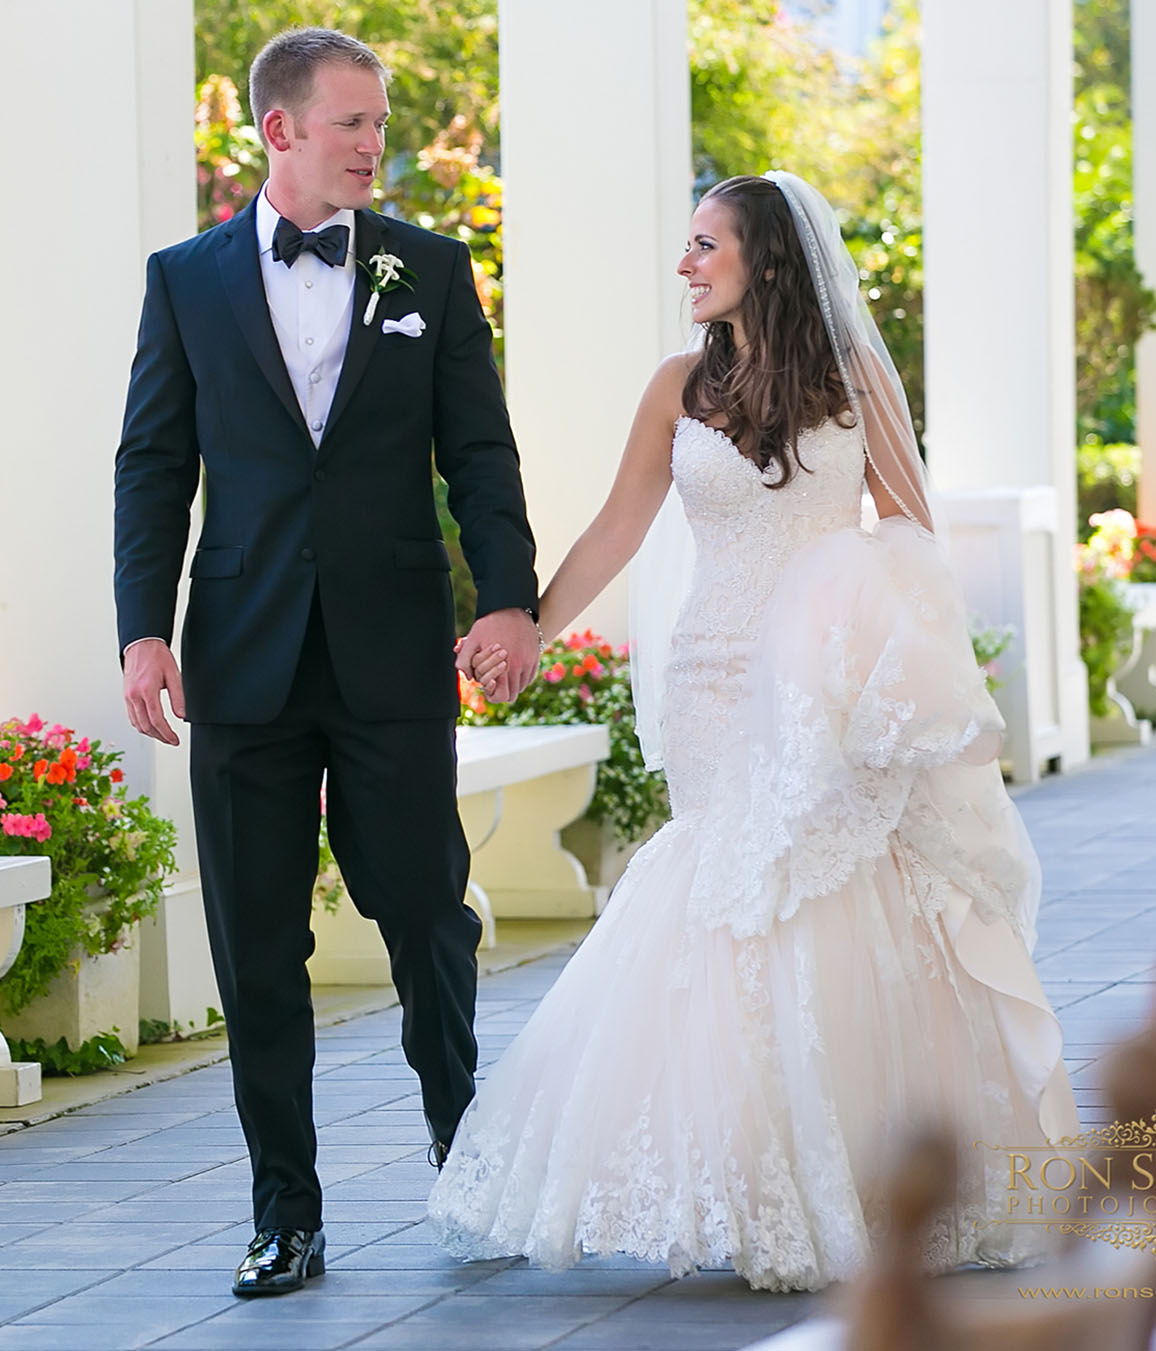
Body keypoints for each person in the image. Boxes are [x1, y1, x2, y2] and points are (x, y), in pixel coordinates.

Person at [429, 172, 1079, 1290]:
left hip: (820, 688)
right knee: (724, 897)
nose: (684, 264)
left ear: (766, 259)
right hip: (713, 680)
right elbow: (618, 528)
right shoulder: (675, 387)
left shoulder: (854, 378)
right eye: (684, 246)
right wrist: (526, 626)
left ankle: (862, 1178)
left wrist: (867, 657)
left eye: (704, 244)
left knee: (831, 898)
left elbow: (912, 538)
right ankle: (740, 1184)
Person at [112, 27, 541, 1297]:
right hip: (240, 659)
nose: (376, 144)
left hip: (392, 654)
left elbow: (482, 454)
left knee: (425, 917)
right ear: (279, 131)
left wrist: (510, 600)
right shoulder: (184, 280)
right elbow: (153, 463)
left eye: (382, 120)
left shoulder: (433, 270)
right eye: (352, 122)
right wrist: (142, 627)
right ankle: (283, 1214)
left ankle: (464, 1156)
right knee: (254, 948)